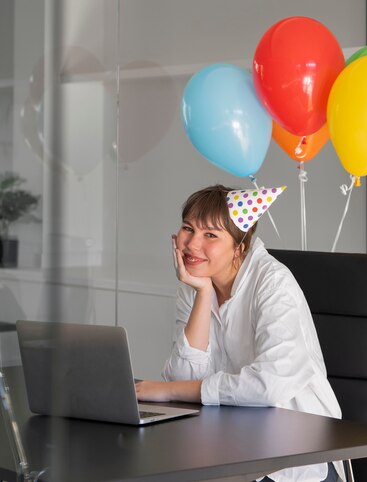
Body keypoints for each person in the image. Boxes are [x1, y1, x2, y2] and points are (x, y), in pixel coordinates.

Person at [136, 184, 344, 482]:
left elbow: (267, 385)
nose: (192, 244)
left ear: (240, 247)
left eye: (210, 235)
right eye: (187, 228)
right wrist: (203, 293)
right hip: (224, 443)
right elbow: (184, 379)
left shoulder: (273, 284)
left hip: (292, 453)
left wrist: (168, 390)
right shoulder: (194, 286)